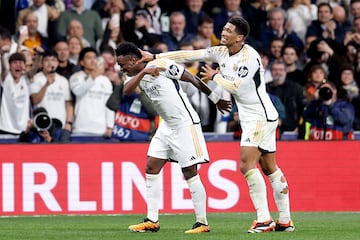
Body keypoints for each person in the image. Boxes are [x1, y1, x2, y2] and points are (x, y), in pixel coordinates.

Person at [137, 16, 295, 233]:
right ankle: (285, 221)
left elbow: (237, 87)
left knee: (246, 165)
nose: (224, 32)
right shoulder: (221, 52)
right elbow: (191, 55)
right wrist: (155, 55)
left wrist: (215, 76)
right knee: (269, 168)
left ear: (240, 37)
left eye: (229, 30)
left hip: (258, 116)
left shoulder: (249, 57)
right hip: (259, 117)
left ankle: (264, 219)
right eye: (224, 28)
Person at [115, 42, 231, 233]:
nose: (122, 68)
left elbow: (192, 79)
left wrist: (215, 99)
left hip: (185, 124)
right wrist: (143, 73)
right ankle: (152, 220)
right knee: (151, 166)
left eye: (123, 64)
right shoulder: (134, 75)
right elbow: (125, 92)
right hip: (166, 126)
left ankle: (202, 223)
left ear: (134, 60)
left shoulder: (163, 65)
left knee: (190, 172)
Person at [69, 47, 114, 137]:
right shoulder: (75, 77)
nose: (93, 61)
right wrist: (93, 76)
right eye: (89, 58)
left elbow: (109, 105)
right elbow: (78, 91)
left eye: (94, 58)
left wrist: (110, 126)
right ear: (81, 62)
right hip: (80, 128)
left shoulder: (105, 81)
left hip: (100, 129)